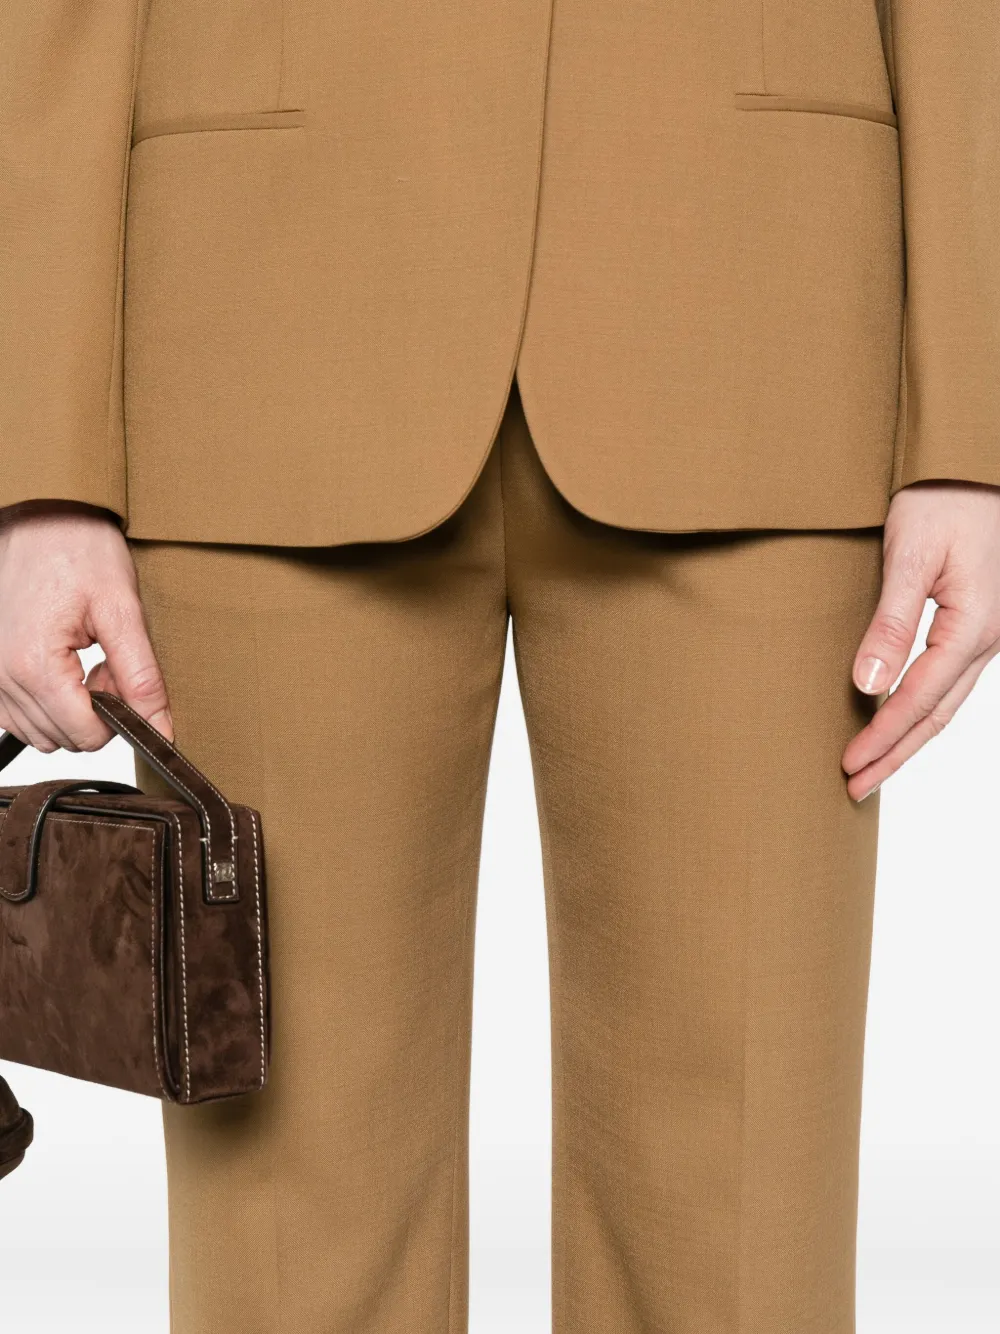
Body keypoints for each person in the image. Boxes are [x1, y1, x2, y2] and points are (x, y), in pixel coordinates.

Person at [1, 3, 998, 1331]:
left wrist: (973, 420)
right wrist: (40, 463)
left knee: (743, 1229)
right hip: (256, 322)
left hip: (763, 320)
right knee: (285, 1243)